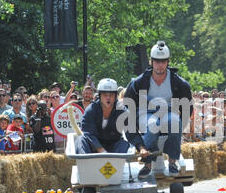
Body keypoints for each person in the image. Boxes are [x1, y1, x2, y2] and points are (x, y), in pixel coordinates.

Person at [124, 41, 193, 178]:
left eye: (163, 61)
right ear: (151, 61)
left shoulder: (179, 83)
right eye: (156, 61)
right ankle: (147, 163)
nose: (160, 65)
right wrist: (133, 123)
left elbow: (187, 107)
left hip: (168, 112)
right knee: (151, 125)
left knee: (175, 122)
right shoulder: (138, 82)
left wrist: (181, 123)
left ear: (168, 62)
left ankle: (172, 162)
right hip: (146, 112)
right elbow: (127, 104)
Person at [75, 78, 149, 158]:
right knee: (80, 140)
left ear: (115, 96)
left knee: (123, 144)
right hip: (93, 146)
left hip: (113, 145)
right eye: (105, 95)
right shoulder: (91, 110)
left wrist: (141, 148)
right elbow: (89, 133)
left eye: (111, 95)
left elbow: (131, 132)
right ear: (99, 96)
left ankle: (115, 166)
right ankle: (86, 166)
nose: (108, 98)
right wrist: (101, 151)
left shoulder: (123, 111)